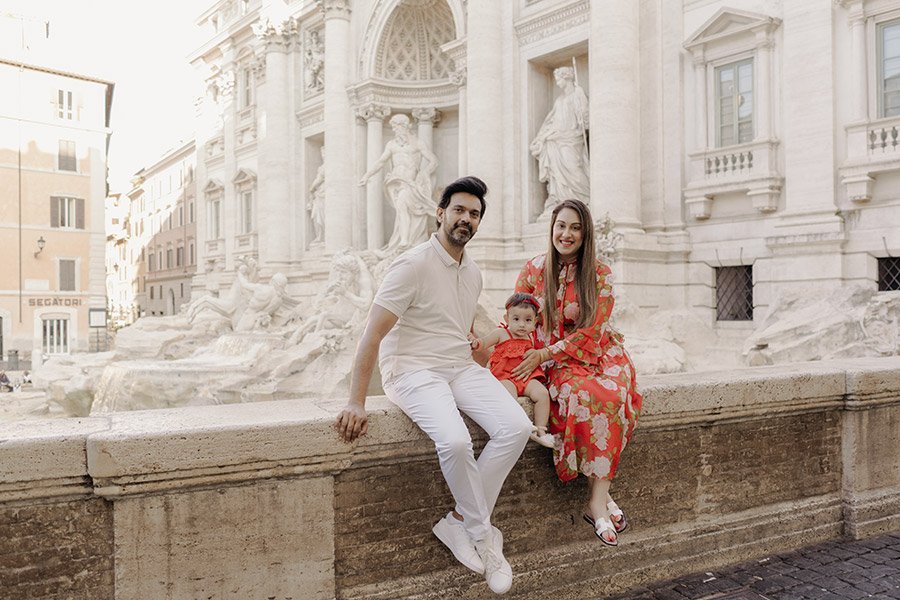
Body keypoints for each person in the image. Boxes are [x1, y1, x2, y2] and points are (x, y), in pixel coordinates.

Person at [335, 176, 532, 594]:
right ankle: (483, 537)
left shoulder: (472, 271)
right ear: (440, 213)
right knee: (457, 442)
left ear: (478, 223)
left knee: (516, 427)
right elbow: (371, 334)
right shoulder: (412, 264)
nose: (466, 219)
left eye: (474, 214)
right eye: (458, 210)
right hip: (412, 370)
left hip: (457, 365)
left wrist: (490, 358)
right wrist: (356, 401)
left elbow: (457, 333)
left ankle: (459, 522)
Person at [512, 198, 643, 547]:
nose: (566, 234)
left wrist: (548, 350)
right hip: (554, 361)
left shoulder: (600, 275)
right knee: (581, 396)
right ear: (551, 228)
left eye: (575, 228)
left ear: (585, 234)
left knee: (614, 396)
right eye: (561, 226)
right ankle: (601, 499)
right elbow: (517, 321)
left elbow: (593, 330)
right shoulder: (533, 270)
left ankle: (596, 500)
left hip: (597, 352)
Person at [470, 292, 555, 448]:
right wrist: (476, 343)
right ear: (506, 318)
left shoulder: (530, 337)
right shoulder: (502, 333)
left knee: (542, 394)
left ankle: (541, 431)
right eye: (516, 319)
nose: (522, 325)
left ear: (535, 321)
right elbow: (484, 342)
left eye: (528, 320)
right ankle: (519, 424)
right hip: (505, 377)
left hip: (525, 378)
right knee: (509, 395)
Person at [359, 114, 439, 250]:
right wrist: (367, 175)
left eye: (396, 127)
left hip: (410, 183)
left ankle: (405, 240)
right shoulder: (391, 145)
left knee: (403, 205)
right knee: (402, 211)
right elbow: (380, 162)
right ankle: (404, 239)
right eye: (393, 128)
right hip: (396, 183)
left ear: (404, 127)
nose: (395, 130)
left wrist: (424, 173)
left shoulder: (417, 143)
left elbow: (433, 161)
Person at [529, 66, 590, 213]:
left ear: (567, 77)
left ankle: (583, 198)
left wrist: (584, 119)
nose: (557, 82)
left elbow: (584, 113)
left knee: (574, 168)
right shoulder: (559, 100)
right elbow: (551, 120)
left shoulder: (578, 92)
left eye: (559, 79)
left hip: (572, 138)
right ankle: (558, 198)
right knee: (556, 170)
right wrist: (543, 137)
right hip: (558, 137)